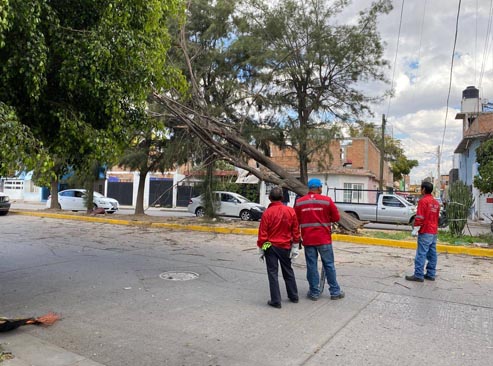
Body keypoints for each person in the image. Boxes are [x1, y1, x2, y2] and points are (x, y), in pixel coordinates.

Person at [294, 178, 344, 301]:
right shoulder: (327, 201)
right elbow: (336, 217)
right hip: (324, 239)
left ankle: (314, 292)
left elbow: (295, 220)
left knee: (311, 266)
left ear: (309, 189)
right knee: (329, 265)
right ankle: (335, 291)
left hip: (308, 239)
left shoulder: (300, 202)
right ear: (319, 188)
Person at [257, 186, 301, 309]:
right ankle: (294, 296)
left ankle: (276, 300)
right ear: (282, 198)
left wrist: (262, 249)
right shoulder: (290, 211)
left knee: (272, 273)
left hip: (270, 245)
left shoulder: (267, 213)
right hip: (286, 245)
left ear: (270, 198)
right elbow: (295, 230)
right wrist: (295, 246)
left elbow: (263, 234)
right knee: (288, 271)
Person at [406, 181, 440, 282]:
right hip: (433, 231)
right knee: (432, 254)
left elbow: (420, 217)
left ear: (424, 189)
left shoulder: (423, 201)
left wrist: (416, 229)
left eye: (421, 188)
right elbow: (436, 217)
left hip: (425, 231)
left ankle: (418, 275)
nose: (420, 190)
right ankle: (430, 274)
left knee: (421, 253)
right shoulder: (436, 203)